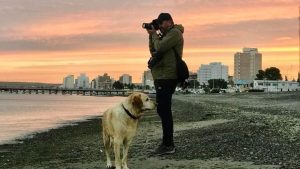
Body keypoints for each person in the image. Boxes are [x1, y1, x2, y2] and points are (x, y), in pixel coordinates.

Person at [146, 13, 184, 155]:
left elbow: (160, 47)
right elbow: (154, 50)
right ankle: (167, 143)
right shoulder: (164, 35)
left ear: (169, 22)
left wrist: (154, 34)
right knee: (162, 110)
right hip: (161, 76)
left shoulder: (175, 33)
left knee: (164, 110)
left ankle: (168, 145)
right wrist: (151, 35)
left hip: (167, 76)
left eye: (161, 24)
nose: (159, 28)